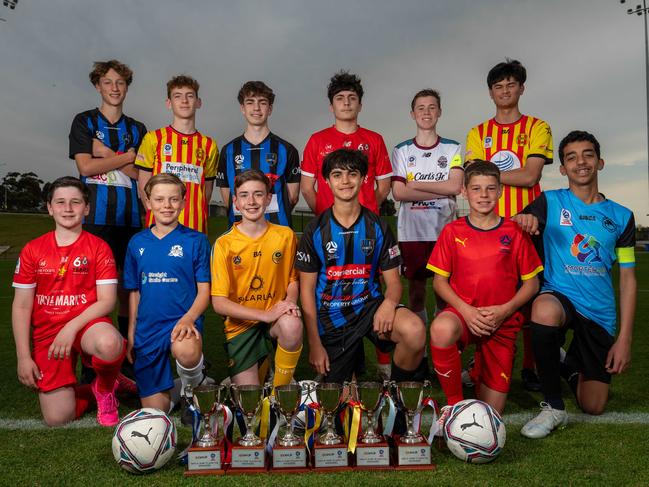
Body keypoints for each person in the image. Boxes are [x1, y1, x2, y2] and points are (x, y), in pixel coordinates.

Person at [516, 131, 636, 439]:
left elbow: (627, 277)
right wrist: (524, 219)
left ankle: (564, 363)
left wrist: (624, 339)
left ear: (600, 162)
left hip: (599, 312)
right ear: (562, 168)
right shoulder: (550, 202)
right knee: (543, 309)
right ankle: (554, 407)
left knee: (593, 405)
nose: (580, 162)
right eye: (571, 157)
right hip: (561, 296)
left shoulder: (622, 217)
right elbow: (522, 219)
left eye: (587, 155)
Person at [297, 148, 427, 384]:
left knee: (415, 331)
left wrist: (388, 303)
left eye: (352, 174)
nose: (345, 181)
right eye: (337, 175)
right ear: (326, 181)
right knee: (343, 405)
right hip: (332, 315)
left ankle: (396, 396)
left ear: (364, 178)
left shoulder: (377, 226)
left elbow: (394, 282)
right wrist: (314, 343)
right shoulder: (315, 230)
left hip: (370, 308)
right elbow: (306, 291)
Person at [428, 161, 542, 421]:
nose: (484, 195)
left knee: (489, 414)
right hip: (464, 316)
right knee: (441, 328)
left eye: (491, 188)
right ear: (464, 192)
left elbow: (532, 284)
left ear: (500, 191)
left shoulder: (515, 232)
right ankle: (454, 406)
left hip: (501, 322)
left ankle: (479, 369)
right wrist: (466, 311)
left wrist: (504, 311)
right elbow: (439, 282)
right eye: (476, 189)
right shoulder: (452, 231)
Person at [465, 59, 553, 391]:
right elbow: (475, 178)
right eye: (498, 86)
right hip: (488, 227)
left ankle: (531, 367)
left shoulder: (538, 127)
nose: (505, 91)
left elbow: (531, 174)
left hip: (528, 225)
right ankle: (481, 363)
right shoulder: (477, 133)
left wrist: (486, 174)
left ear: (521, 88)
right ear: (491, 92)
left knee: (531, 298)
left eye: (511, 85)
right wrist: (484, 177)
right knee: (485, 295)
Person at [12, 177, 127, 427]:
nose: (68, 208)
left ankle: (106, 388)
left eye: (76, 202)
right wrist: (23, 357)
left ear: (86, 208)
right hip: (48, 334)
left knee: (109, 343)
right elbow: (21, 306)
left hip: (87, 326)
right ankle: (95, 387)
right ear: (50, 207)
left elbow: (107, 302)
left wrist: (71, 327)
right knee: (57, 418)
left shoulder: (99, 247)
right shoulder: (32, 250)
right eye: (60, 202)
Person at [301, 71, 393, 377]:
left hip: (366, 231)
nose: (346, 103)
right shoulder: (317, 140)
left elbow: (383, 185)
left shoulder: (374, 139)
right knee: (332, 289)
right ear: (331, 105)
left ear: (360, 104)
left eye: (352, 98)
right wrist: (327, 215)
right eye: (340, 98)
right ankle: (339, 351)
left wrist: (369, 209)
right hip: (331, 231)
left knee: (371, 287)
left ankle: (383, 362)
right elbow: (307, 187)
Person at [68, 59, 147, 371]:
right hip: (95, 222)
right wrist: (125, 159)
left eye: (120, 83)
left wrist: (109, 154)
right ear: (98, 86)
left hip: (129, 220)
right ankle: (93, 363)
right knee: (95, 292)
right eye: (108, 82)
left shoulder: (138, 129)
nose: (114, 88)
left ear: (127, 87)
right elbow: (85, 168)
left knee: (129, 291)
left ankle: (127, 360)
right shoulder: (84, 121)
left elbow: (138, 172)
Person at [122, 173, 211, 414]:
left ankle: (193, 389)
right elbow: (134, 293)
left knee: (187, 351)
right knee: (155, 412)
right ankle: (186, 386)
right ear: (148, 202)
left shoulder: (196, 240)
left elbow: (205, 291)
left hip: (182, 322)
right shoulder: (136, 243)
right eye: (159, 199)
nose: (167, 206)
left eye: (173, 199)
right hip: (148, 327)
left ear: (183, 202)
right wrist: (132, 331)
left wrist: (188, 318)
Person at [212, 169, 302, 387]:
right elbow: (219, 303)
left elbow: (293, 280)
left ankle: (280, 390)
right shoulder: (224, 244)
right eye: (244, 195)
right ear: (235, 202)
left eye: (258, 194)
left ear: (269, 198)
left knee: (292, 325)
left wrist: (289, 302)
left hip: (276, 319)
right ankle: (258, 370)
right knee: (249, 397)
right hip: (241, 325)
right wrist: (264, 314)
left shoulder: (285, 236)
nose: (251, 201)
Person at [391, 88, 463, 326]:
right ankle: (419, 351)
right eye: (421, 108)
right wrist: (441, 187)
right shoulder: (402, 150)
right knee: (417, 292)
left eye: (432, 107)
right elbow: (399, 192)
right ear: (413, 113)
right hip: (412, 233)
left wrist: (417, 183)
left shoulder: (452, 148)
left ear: (439, 112)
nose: (426, 112)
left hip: (444, 232)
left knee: (444, 293)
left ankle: (442, 345)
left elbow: (455, 186)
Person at [136, 75, 218, 234]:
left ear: (198, 102)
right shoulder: (153, 139)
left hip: (195, 227)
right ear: (169, 103)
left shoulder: (209, 145)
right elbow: (144, 187)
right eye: (177, 96)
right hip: (159, 227)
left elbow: (206, 192)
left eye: (190, 96)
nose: (184, 101)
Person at [217, 81, 300, 227]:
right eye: (250, 102)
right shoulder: (228, 150)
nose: (256, 108)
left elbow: (292, 197)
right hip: (239, 232)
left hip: (278, 231)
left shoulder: (287, 149)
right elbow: (227, 198)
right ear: (242, 108)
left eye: (262, 102)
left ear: (270, 109)